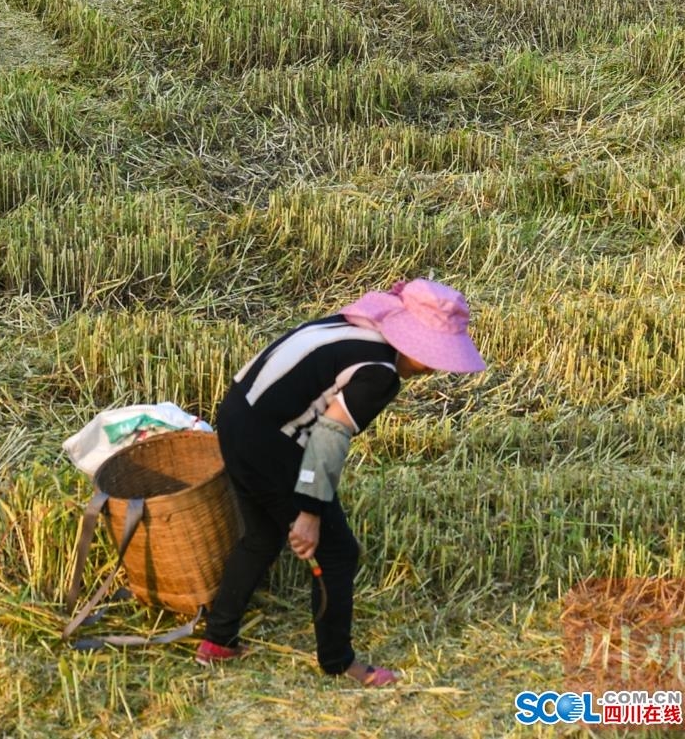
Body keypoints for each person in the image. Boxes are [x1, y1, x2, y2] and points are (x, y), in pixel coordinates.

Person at [196, 279, 485, 687]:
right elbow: (328, 438)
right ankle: (338, 662)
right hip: (267, 441)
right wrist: (309, 512)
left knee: (261, 536)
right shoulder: (378, 374)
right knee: (336, 552)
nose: (434, 366)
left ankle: (218, 641)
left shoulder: (355, 326)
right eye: (432, 352)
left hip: (236, 416)